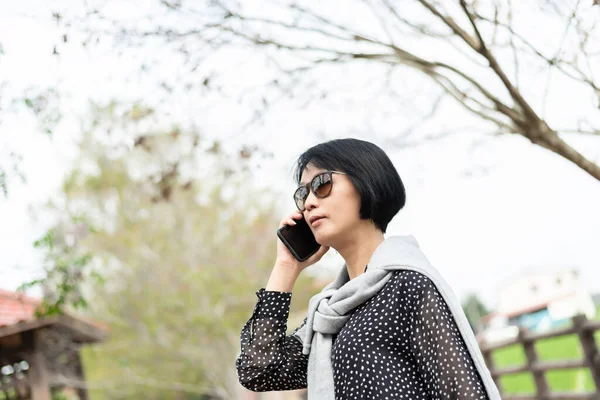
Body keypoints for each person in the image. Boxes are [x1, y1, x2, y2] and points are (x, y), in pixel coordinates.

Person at [235, 138, 500, 399]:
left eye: (322, 184)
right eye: (302, 194)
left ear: (366, 181)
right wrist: (286, 267)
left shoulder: (408, 286)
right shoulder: (330, 313)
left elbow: (462, 391)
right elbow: (258, 370)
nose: (308, 203)